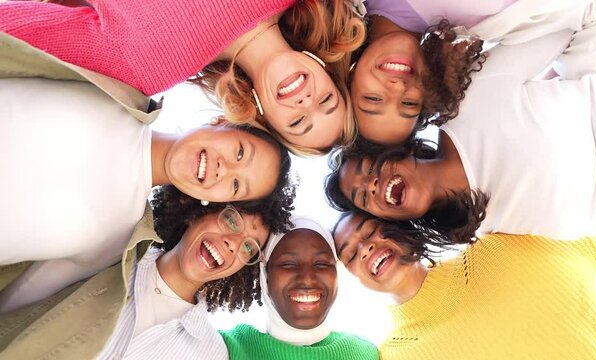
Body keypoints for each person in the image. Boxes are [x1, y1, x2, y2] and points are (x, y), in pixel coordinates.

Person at [0, 33, 293, 311]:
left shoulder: (114, 243)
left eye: (236, 186)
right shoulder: (113, 84)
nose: (224, 169)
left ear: (215, 202)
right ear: (222, 121)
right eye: (239, 152)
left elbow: (13, 306)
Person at [326, 13, 596, 240]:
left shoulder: (467, 103)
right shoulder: (481, 229)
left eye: (370, 168)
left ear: (396, 150)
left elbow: (561, 25)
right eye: (364, 197)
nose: (372, 185)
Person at [0, 0, 366, 154]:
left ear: (264, 116)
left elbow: (17, 31)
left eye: (299, 122)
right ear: (323, 67)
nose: (306, 102)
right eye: (326, 101)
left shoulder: (147, 68)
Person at [0, 184, 295, 359]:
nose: (233, 245)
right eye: (232, 220)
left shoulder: (208, 352)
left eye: (248, 248)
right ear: (201, 210)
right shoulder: (114, 252)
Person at [332, 210, 596, 359]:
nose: (365, 248)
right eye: (350, 255)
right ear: (354, 276)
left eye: (372, 231)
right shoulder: (396, 355)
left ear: (401, 227)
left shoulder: (505, 247)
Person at [351, 0, 596, 145]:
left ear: (350, 77)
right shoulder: (479, 30)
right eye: (409, 104)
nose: (396, 88)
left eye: (373, 99)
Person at [221, 217, 379, 360]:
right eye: (288, 264)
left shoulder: (365, 353)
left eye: (322, 264)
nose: (307, 278)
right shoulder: (229, 348)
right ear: (265, 275)